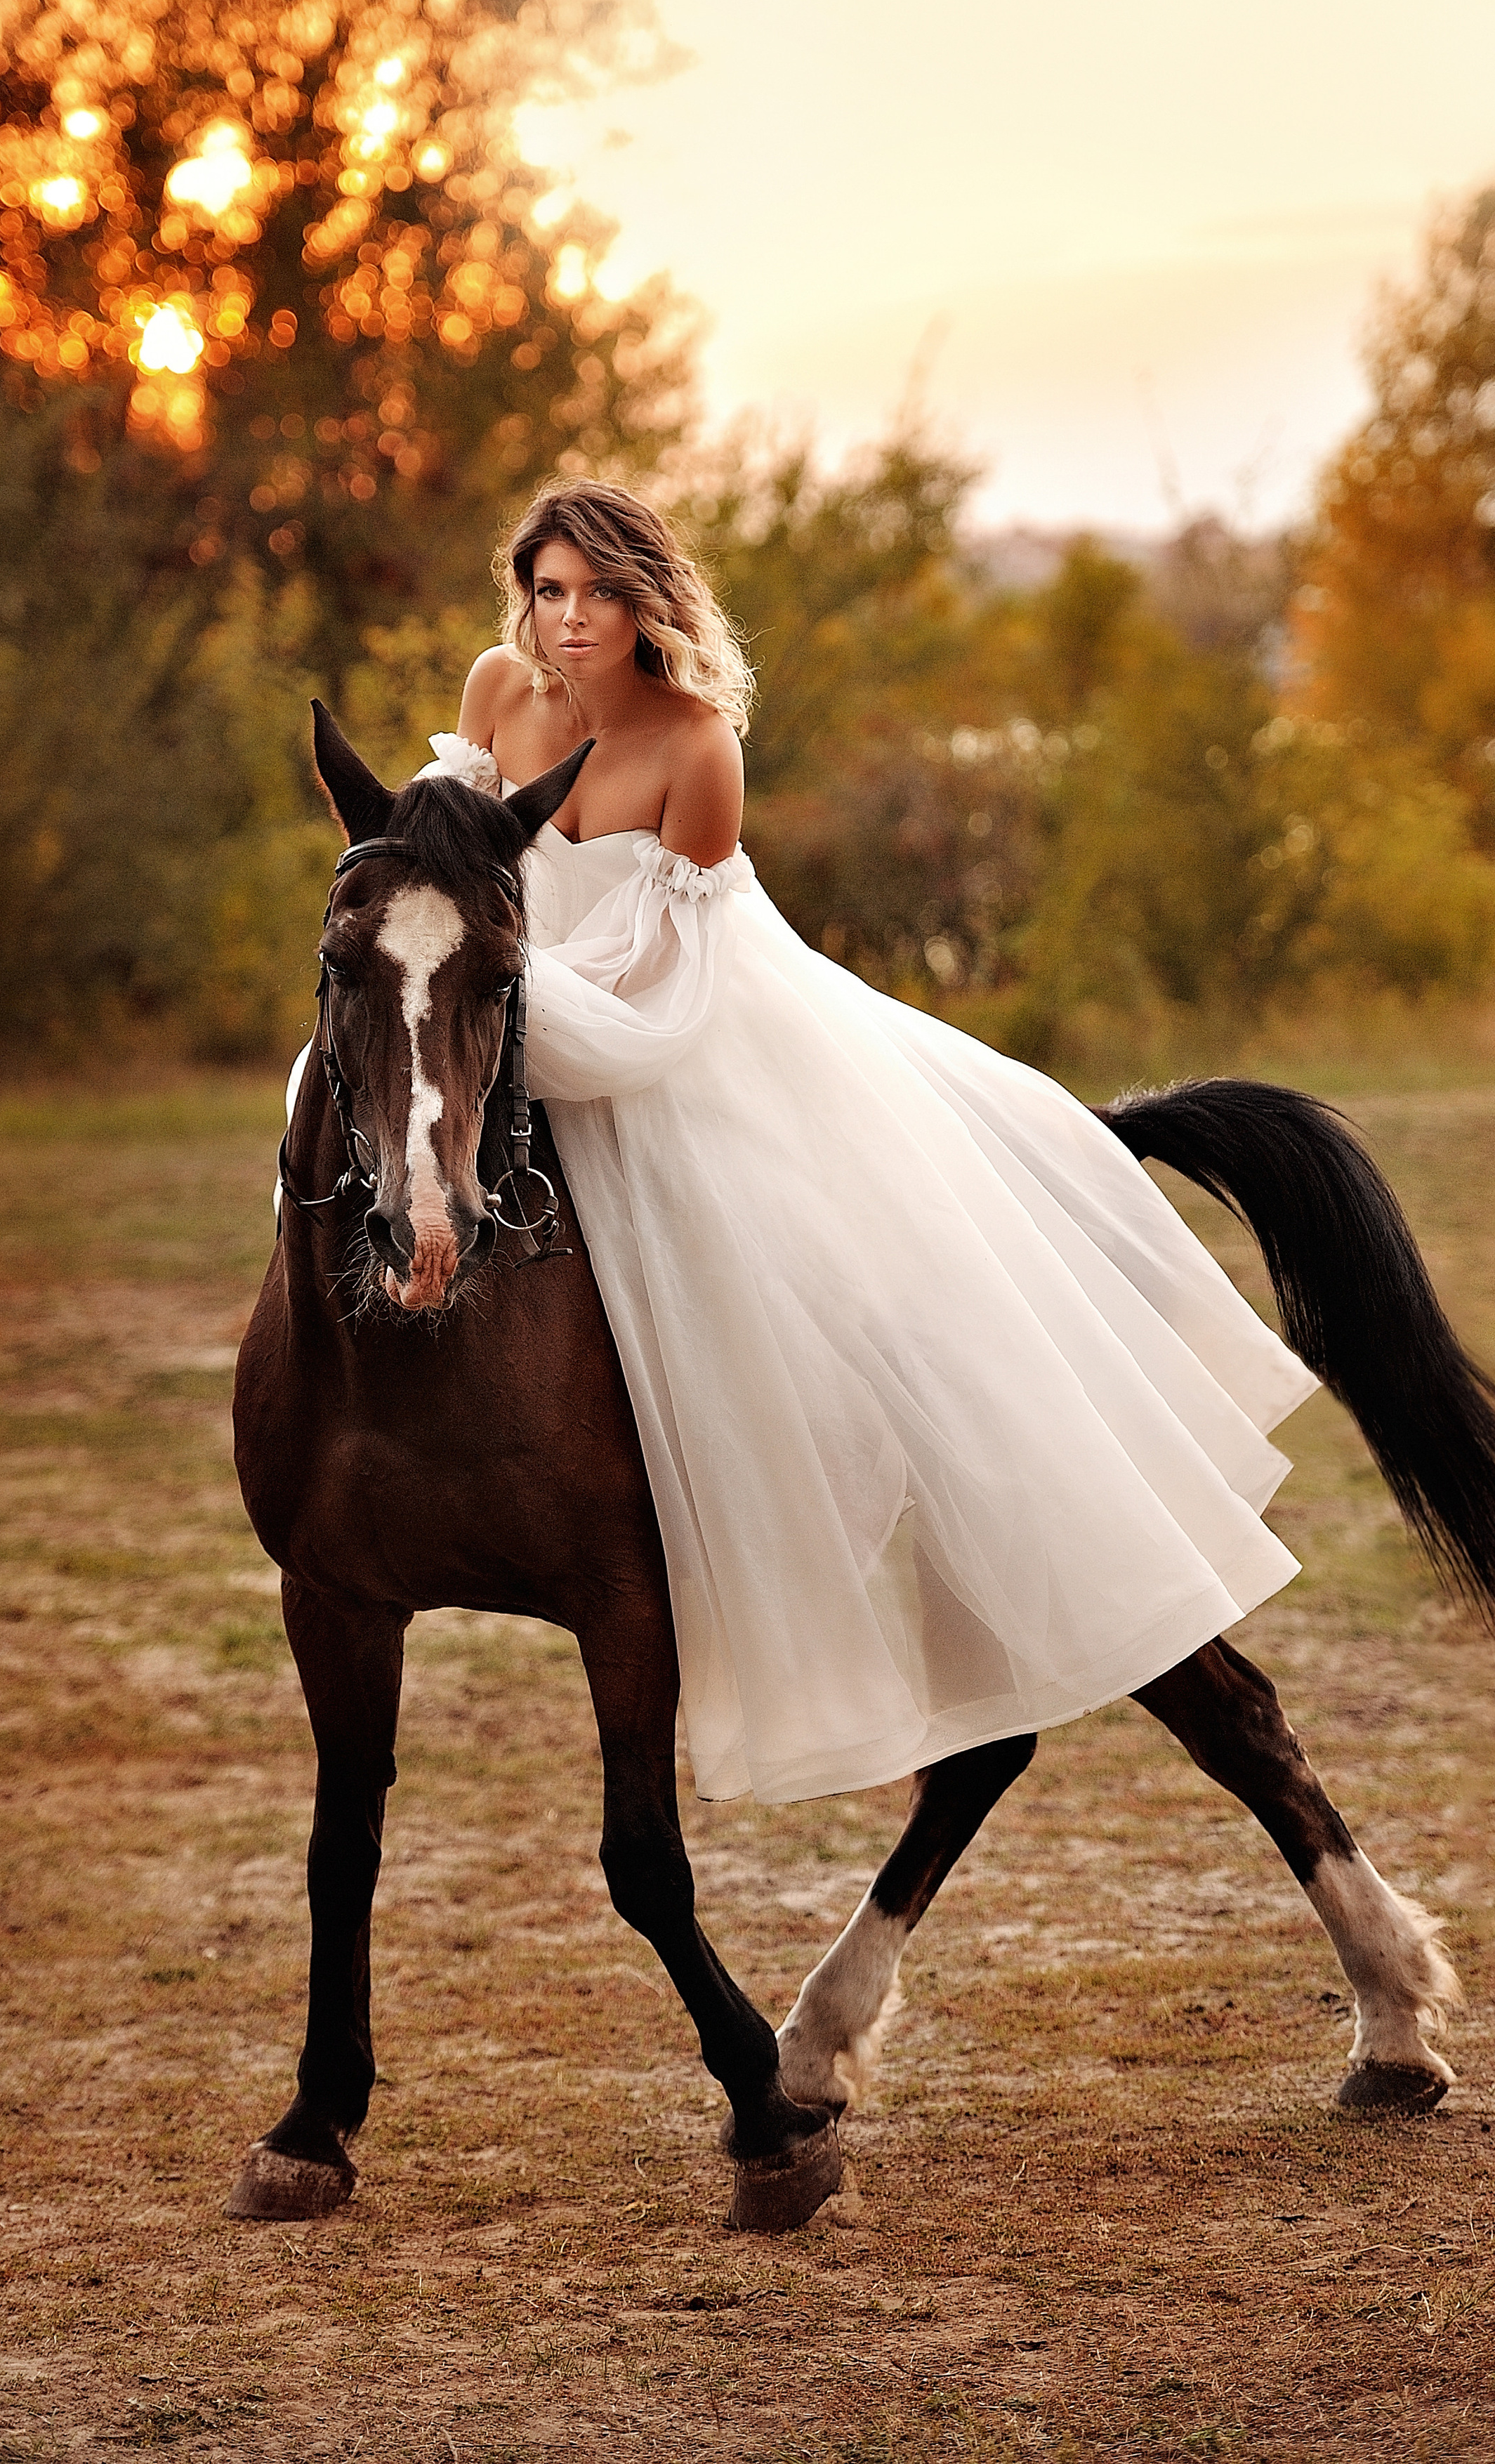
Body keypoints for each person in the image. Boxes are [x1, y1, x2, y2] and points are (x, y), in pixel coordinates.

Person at [414, 478, 1315, 1807]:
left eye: (602, 592)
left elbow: (668, 979)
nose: (573, 620)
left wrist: (524, 1004)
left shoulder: (696, 745)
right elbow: (454, 873)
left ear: (648, 600)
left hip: (684, 1034)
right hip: (521, 1011)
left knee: (765, 1286)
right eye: (551, 591)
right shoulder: (500, 693)